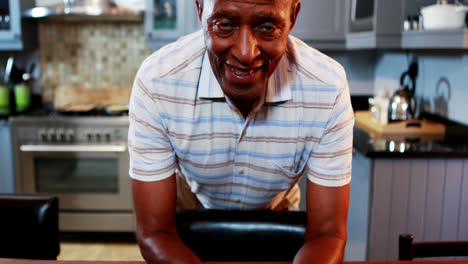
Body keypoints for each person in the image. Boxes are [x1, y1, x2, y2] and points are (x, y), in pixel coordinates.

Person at [128, 0, 354, 263]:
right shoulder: (158, 81)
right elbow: (155, 233)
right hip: (188, 221)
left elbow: (327, 234)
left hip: (277, 217)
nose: (246, 53)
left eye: (267, 27)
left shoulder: (327, 88)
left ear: (292, 17)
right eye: (224, 25)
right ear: (201, 10)